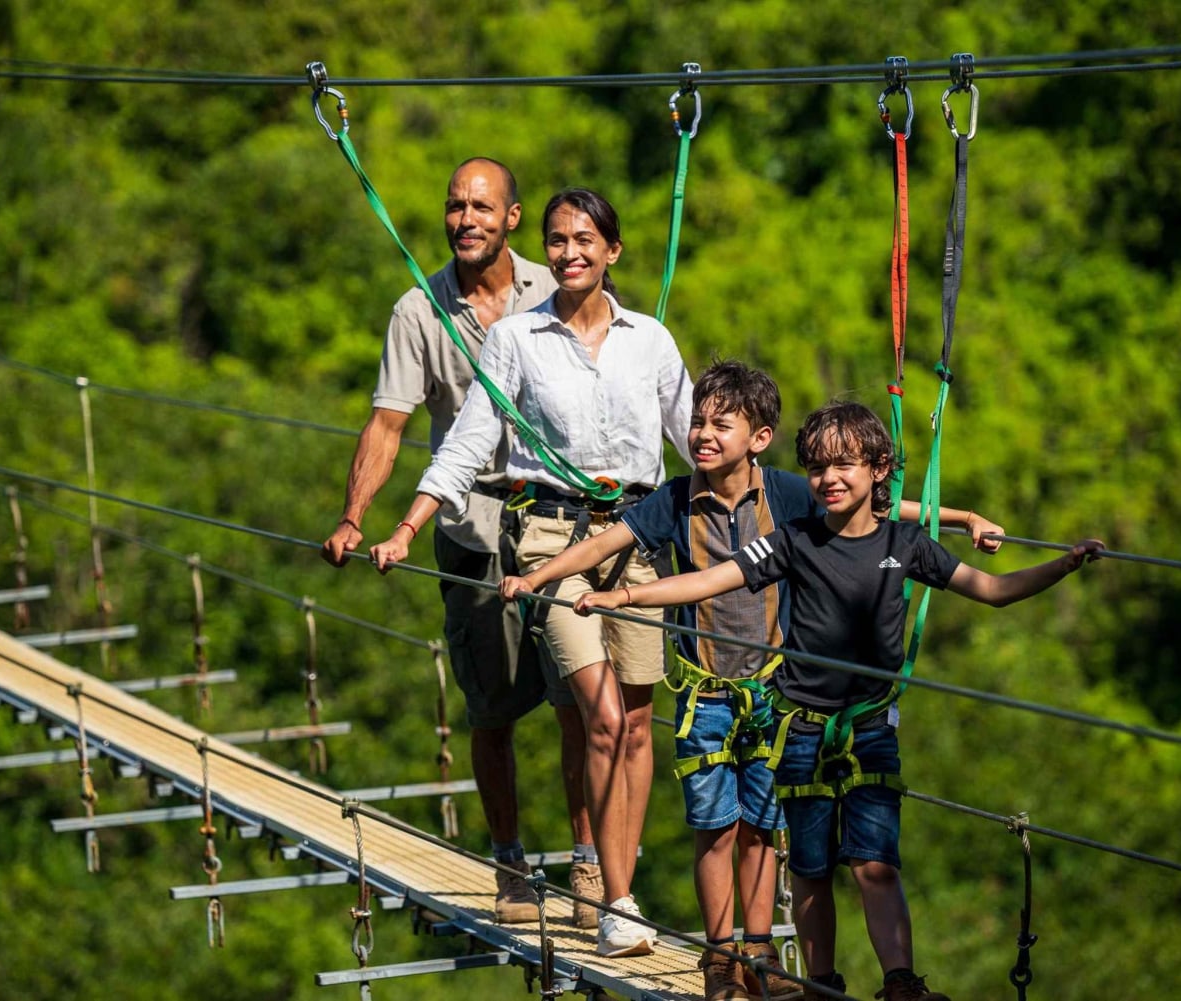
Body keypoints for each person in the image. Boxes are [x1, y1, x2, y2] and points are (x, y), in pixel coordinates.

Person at [501, 363, 1003, 1001]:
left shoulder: (790, 494)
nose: (702, 435)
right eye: (697, 422)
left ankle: (760, 951)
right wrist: (540, 579)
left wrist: (960, 519)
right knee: (715, 825)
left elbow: (874, 506)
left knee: (764, 824)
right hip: (705, 687)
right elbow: (607, 545)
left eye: (720, 424)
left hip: (774, 693)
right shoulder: (677, 498)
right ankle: (720, 954)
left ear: (758, 437)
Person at [575, 400, 1103, 1001]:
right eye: (818, 467)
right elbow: (708, 580)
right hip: (799, 731)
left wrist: (1063, 565)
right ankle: (820, 983)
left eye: (844, 465)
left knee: (875, 864)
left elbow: (994, 590)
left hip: (869, 727)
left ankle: (900, 982)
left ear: (879, 470)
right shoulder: (793, 541)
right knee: (810, 870)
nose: (828, 479)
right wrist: (627, 600)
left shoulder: (907, 544)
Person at [371, 187, 693, 957]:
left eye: (585, 240)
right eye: (557, 240)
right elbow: (470, 437)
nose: (569, 252)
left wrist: (780, 525)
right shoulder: (516, 338)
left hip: (639, 541)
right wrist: (409, 524)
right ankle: (618, 895)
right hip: (551, 544)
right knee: (603, 715)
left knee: (639, 726)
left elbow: (699, 443)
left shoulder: (651, 340)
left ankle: (614, 873)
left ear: (613, 252)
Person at [319, 157, 598, 928]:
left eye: (482, 207)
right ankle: (510, 862)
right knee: (492, 706)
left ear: (512, 219)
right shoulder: (420, 310)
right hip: (473, 535)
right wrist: (355, 515)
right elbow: (389, 421)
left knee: (580, 700)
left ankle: (588, 865)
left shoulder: (561, 283)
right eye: (453, 207)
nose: (465, 219)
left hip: (561, 531)